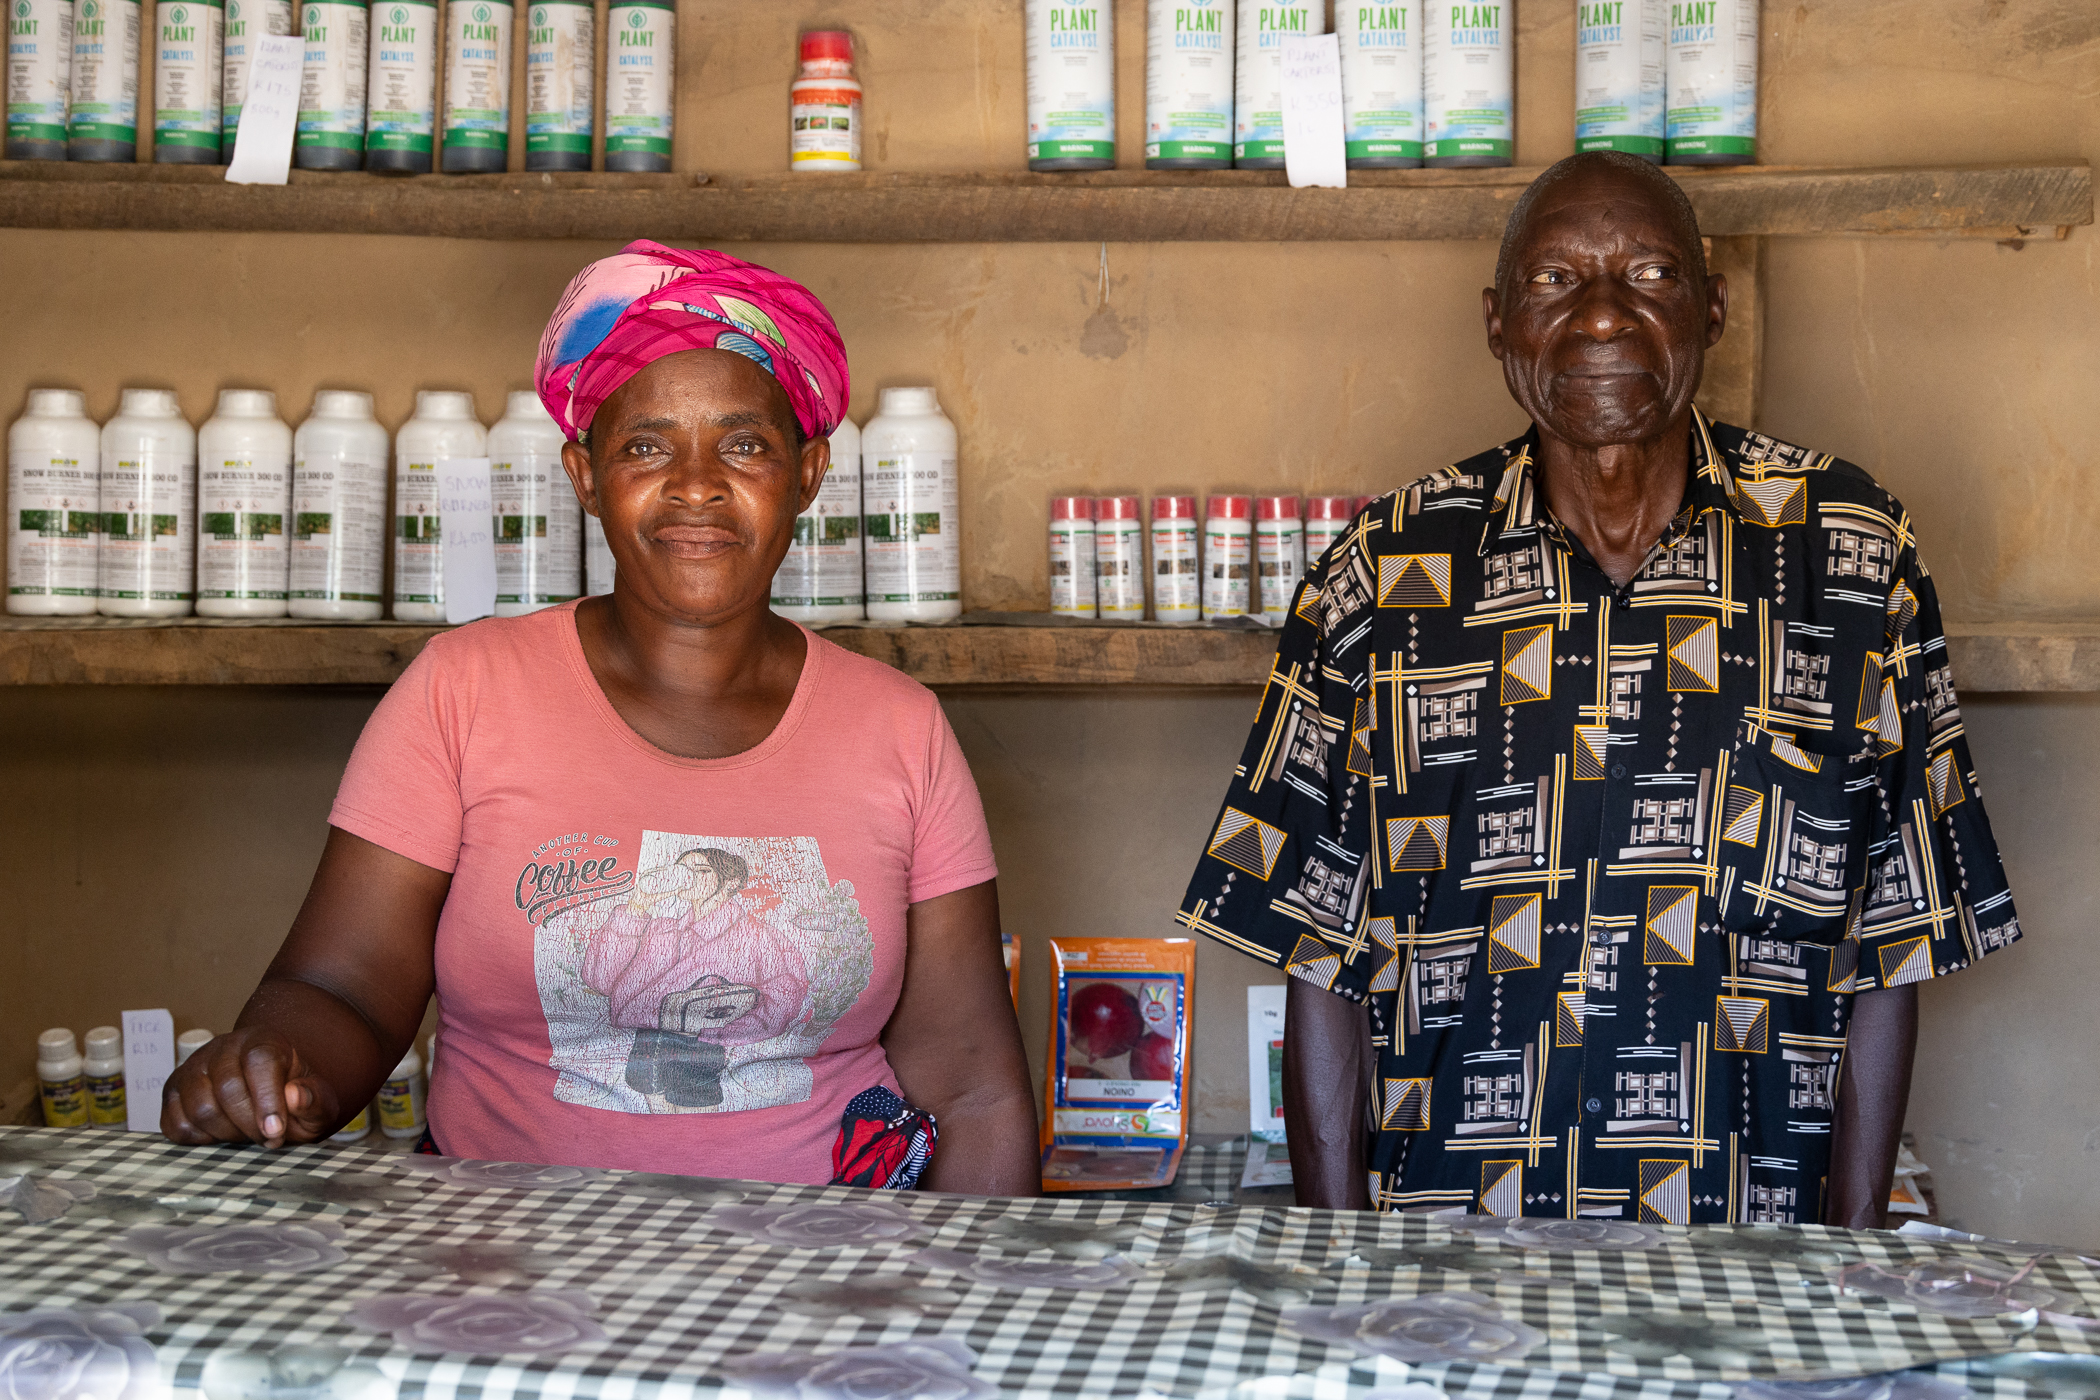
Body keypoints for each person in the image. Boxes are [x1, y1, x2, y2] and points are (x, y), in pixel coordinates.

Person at [1177, 152, 2022, 1227]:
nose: (1604, 316)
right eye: (1555, 280)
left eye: (1653, 275)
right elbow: (1313, 949)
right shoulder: (1383, 571)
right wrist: (1350, 1272)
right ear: (1496, 322)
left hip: (1752, 1255)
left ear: (1713, 309)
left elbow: (1899, 942)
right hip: (1454, 1256)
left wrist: (1842, 1263)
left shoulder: (1849, 554)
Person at [163, 242, 1040, 1195]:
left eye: (744, 444)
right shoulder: (465, 690)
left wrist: (976, 1317)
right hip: (507, 1269)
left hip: (822, 1275)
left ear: (809, 472)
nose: (696, 484)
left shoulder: (899, 730)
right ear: (585, 475)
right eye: (646, 445)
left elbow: (968, 1083)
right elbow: (341, 992)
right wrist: (278, 1069)